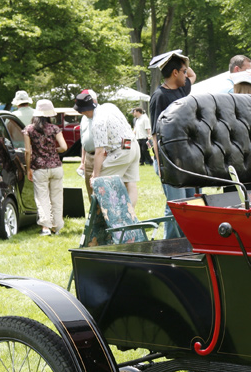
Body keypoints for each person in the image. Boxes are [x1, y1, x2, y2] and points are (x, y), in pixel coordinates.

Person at [149, 50, 198, 239]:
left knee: (190, 203)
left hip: (186, 158)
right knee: (176, 207)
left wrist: (177, 57)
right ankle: (171, 245)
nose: (187, 74)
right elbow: (155, 134)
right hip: (169, 160)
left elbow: (193, 75)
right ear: (175, 73)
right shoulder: (159, 97)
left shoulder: (182, 89)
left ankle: (188, 242)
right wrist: (162, 164)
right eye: (183, 71)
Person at [75, 91, 140, 206]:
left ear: (83, 111)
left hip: (120, 151)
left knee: (100, 183)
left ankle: (105, 215)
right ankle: (130, 215)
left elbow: (99, 152)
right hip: (132, 144)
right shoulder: (109, 106)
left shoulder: (97, 122)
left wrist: (95, 176)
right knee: (130, 183)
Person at [23, 99, 68, 235]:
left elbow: (28, 151)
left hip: (39, 168)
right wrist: (54, 150)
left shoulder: (29, 129)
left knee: (42, 198)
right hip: (56, 167)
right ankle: (57, 226)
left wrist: (28, 169)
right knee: (57, 198)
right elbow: (64, 147)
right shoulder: (54, 128)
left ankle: (45, 227)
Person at [77, 89, 98, 200]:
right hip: (88, 156)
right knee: (90, 189)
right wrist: (82, 162)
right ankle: (94, 210)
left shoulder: (100, 115)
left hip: (101, 155)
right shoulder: (84, 118)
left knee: (100, 188)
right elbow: (83, 140)